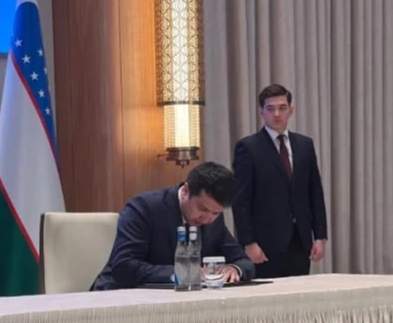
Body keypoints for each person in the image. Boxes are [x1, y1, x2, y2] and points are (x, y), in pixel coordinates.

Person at [92, 161, 254, 291]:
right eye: (202, 209)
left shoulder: (212, 218)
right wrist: (183, 273)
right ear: (186, 191)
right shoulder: (144, 208)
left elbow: (243, 260)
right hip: (119, 296)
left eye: (216, 213)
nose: (207, 219)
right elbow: (124, 267)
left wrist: (234, 269)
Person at [232, 83, 328, 278]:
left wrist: (320, 236)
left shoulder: (304, 145)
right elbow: (240, 201)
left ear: (291, 110)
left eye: (282, 108)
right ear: (261, 112)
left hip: (300, 240)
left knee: (299, 293)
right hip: (265, 244)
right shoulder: (248, 147)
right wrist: (249, 242)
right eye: (270, 109)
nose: (277, 114)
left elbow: (315, 193)